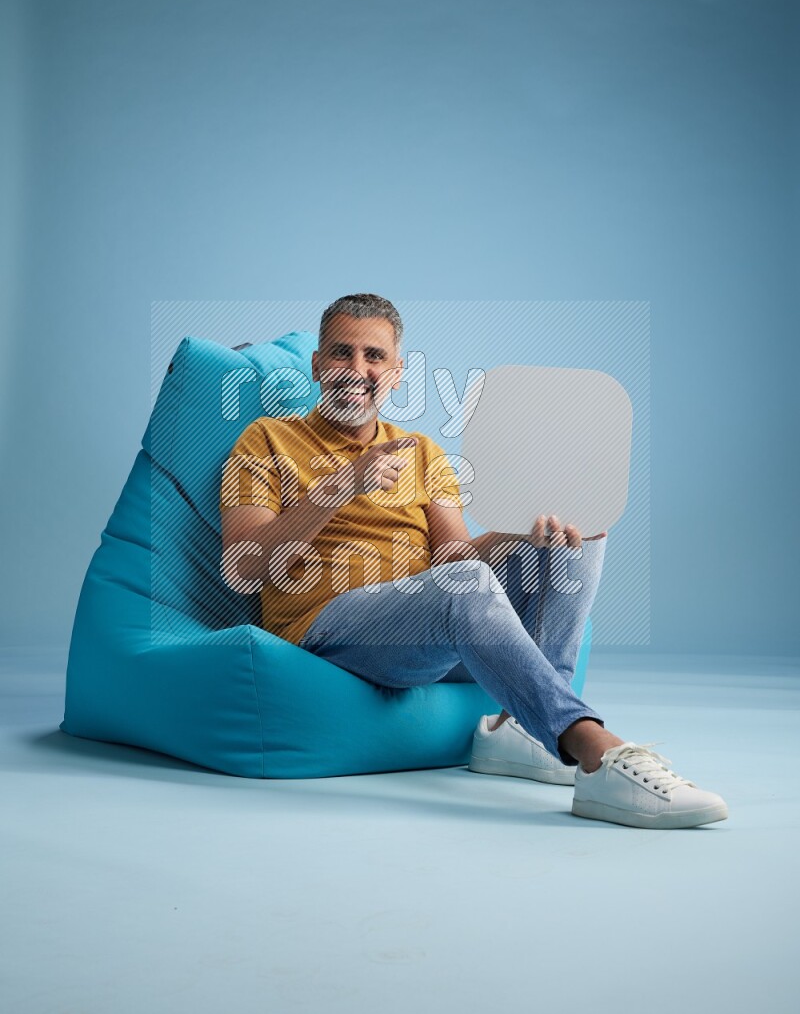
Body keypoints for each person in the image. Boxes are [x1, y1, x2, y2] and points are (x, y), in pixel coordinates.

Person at [219, 294, 728, 829]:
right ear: (318, 363)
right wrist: (341, 486)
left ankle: (522, 728)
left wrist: (521, 536)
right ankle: (593, 748)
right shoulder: (266, 439)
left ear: (395, 372)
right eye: (342, 353)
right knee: (462, 584)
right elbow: (244, 567)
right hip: (326, 625)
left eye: (373, 357)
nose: (357, 369)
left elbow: (456, 558)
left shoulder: (420, 451)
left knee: (578, 534)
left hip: (425, 619)